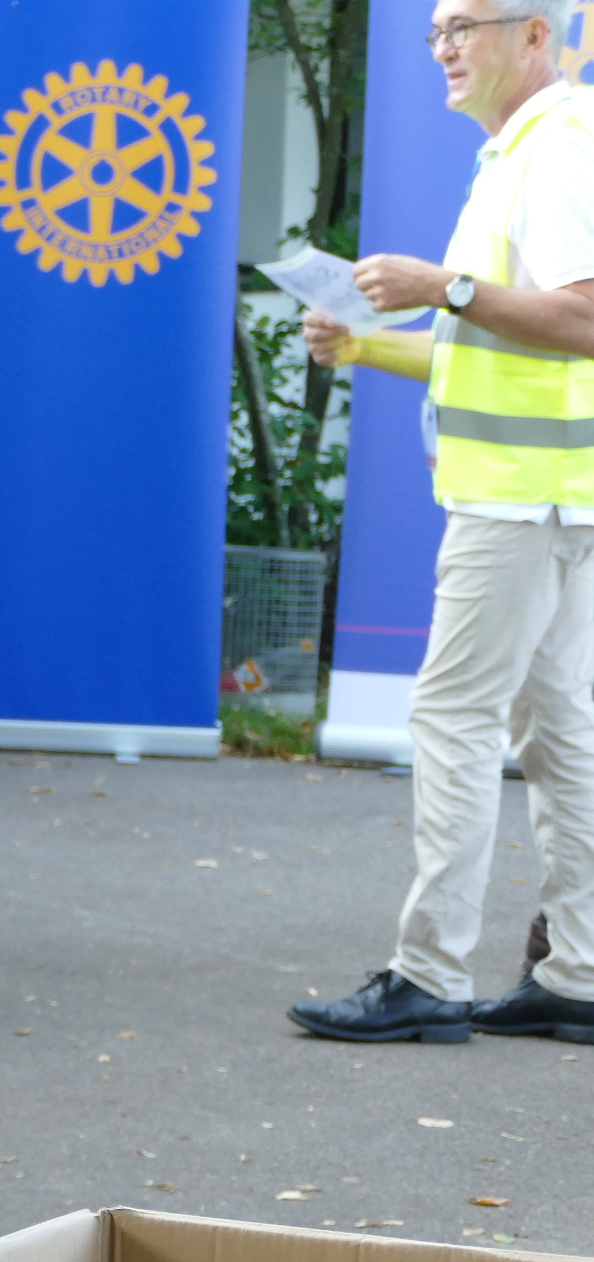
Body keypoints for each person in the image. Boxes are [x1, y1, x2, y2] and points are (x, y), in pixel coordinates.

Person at [289, 0, 594, 1045]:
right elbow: (489, 343)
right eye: (436, 32)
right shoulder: (528, 148)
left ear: (535, 35)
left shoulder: (557, 148)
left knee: (456, 720)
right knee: (560, 731)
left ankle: (429, 976)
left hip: (521, 499)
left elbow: (584, 317)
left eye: (466, 26)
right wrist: (368, 344)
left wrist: (446, 285)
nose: (445, 48)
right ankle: (580, 975)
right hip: (550, 494)